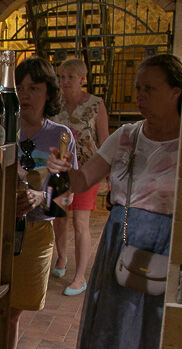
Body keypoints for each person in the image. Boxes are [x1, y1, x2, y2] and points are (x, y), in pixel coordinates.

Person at [47, 54, 182, 349]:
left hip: (164, 241)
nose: (140, 96)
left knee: (152, 326)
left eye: (149, 89)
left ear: (176, 92)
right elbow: (83, 180)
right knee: (108, 318)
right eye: (138, 88)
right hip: (120, 237)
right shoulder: (127, 136)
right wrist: (61, 168)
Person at [4, 57, 78, 349]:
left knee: (13, 312)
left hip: (33, 233)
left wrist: (38, 197)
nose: (25, 94)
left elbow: (64, 196)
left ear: (49, 93)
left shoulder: (60, 136)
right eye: (20, 87)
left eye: (34, 87)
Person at [51, 58, 110, 296]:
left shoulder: (95, 105)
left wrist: (110, 174)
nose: (65, 81)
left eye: (70, 77)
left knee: (80, 223)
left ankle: (80, 277)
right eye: (62, 77)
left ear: (82, 79)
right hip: (60, 172)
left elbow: (105, 141)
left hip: (86, 172)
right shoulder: (54, 104)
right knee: (59, 218)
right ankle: (62, 257)